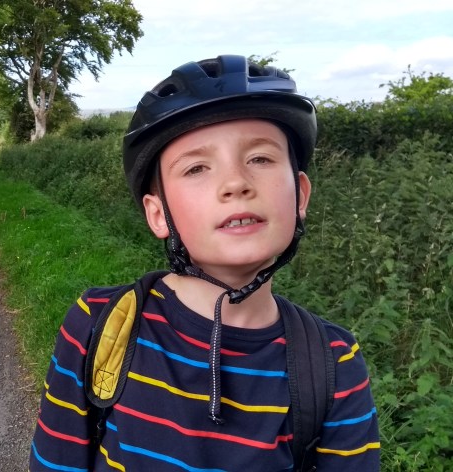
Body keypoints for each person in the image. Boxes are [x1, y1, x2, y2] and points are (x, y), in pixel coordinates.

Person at [28, 55, 380, 471]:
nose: (235, 183)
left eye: (260, 159)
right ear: (158, 215)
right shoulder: (101, 325)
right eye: (196, 168)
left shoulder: (332, 363)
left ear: (300, 195)